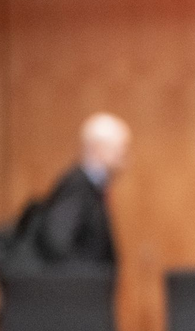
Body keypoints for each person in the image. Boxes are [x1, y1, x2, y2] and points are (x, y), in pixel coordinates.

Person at [36, 112, 131, 270]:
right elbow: (57, 243)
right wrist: (84, 279)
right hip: (80, 289)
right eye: (120, 149)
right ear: (97, 148)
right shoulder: (77, 186)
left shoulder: (95, 187)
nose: (125, 157)